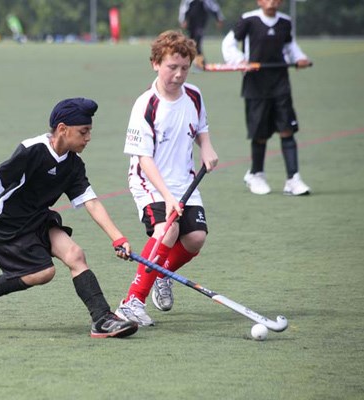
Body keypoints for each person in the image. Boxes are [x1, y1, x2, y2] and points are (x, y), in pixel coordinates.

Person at [0, 98, 139, 339]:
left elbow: (91, 201)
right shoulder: (33, 149)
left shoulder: (73, 165)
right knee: (44, 273)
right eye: (83, 131)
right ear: (62, 129)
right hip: (6, 224)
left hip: (38, 219)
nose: (88, 137)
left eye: (89, 131)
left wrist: (117, 238)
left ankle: (102, 318)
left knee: (76, 255)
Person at [115, 30, 219, 326]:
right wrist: (168, 197)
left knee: (196, 238)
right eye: (172, 67)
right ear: (156, 64)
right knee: (167, 232)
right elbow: (144, 159)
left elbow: (201, 127)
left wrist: (207, 148)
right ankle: (132, 302)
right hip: (150, 182)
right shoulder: (146, 104)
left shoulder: (194, 95)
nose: (178, 74)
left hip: (184, 181)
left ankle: (162, 273)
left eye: (184, 68)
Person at [222, 0, 312, 196]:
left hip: (280, 83)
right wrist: (240, 61)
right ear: (259, 1)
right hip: (255, 85)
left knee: (287, 130)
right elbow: (228, 44)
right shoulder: (249, 20)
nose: (271, 1)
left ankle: (293, 179)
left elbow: (290, 47)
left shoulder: (285, 22)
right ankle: (256, 174)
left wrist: (300, 58)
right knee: (260, 134)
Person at [178, 0, 224, 70]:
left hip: (200, 24)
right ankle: (196, 63)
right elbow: (183, 10)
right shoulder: (188, 1)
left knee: (197, 43)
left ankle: (200, 64)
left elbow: (214, 8)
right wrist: (183, 20)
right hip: (191, 25)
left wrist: (219, 19)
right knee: (191, 44)